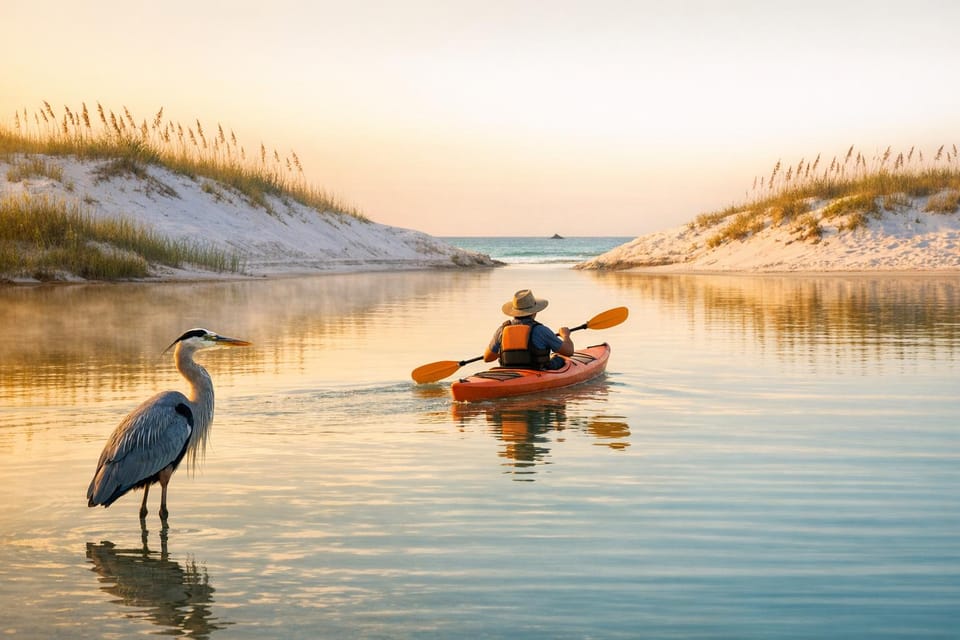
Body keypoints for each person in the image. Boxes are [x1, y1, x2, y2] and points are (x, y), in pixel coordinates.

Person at [484, 289, 574, 370]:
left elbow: (487, 358)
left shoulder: (502, 330)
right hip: (536, 370)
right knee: (560, 358)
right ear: (534, 312)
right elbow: (569, 351)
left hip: (509, 370)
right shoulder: (541, 330)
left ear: (514, 312)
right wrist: (565, 335)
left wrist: (507, 349)